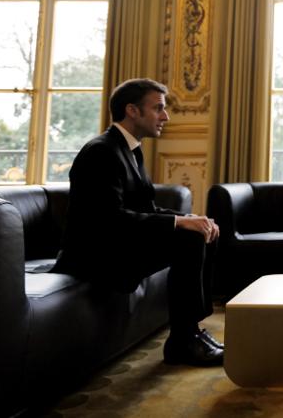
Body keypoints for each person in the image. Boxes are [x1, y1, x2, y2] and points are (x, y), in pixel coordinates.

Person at [55, 78, 224, 366]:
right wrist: (178, 226)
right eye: (158, 108)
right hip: (93, 255)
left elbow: (144, 208)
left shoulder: (130, 149)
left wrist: (189, 218)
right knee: (188, 239)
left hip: (118, 244)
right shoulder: (101, 151)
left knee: (202, 231)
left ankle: (191, 331)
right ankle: (183, 341)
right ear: (132, 111)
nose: (166, 116)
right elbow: (108, 219)